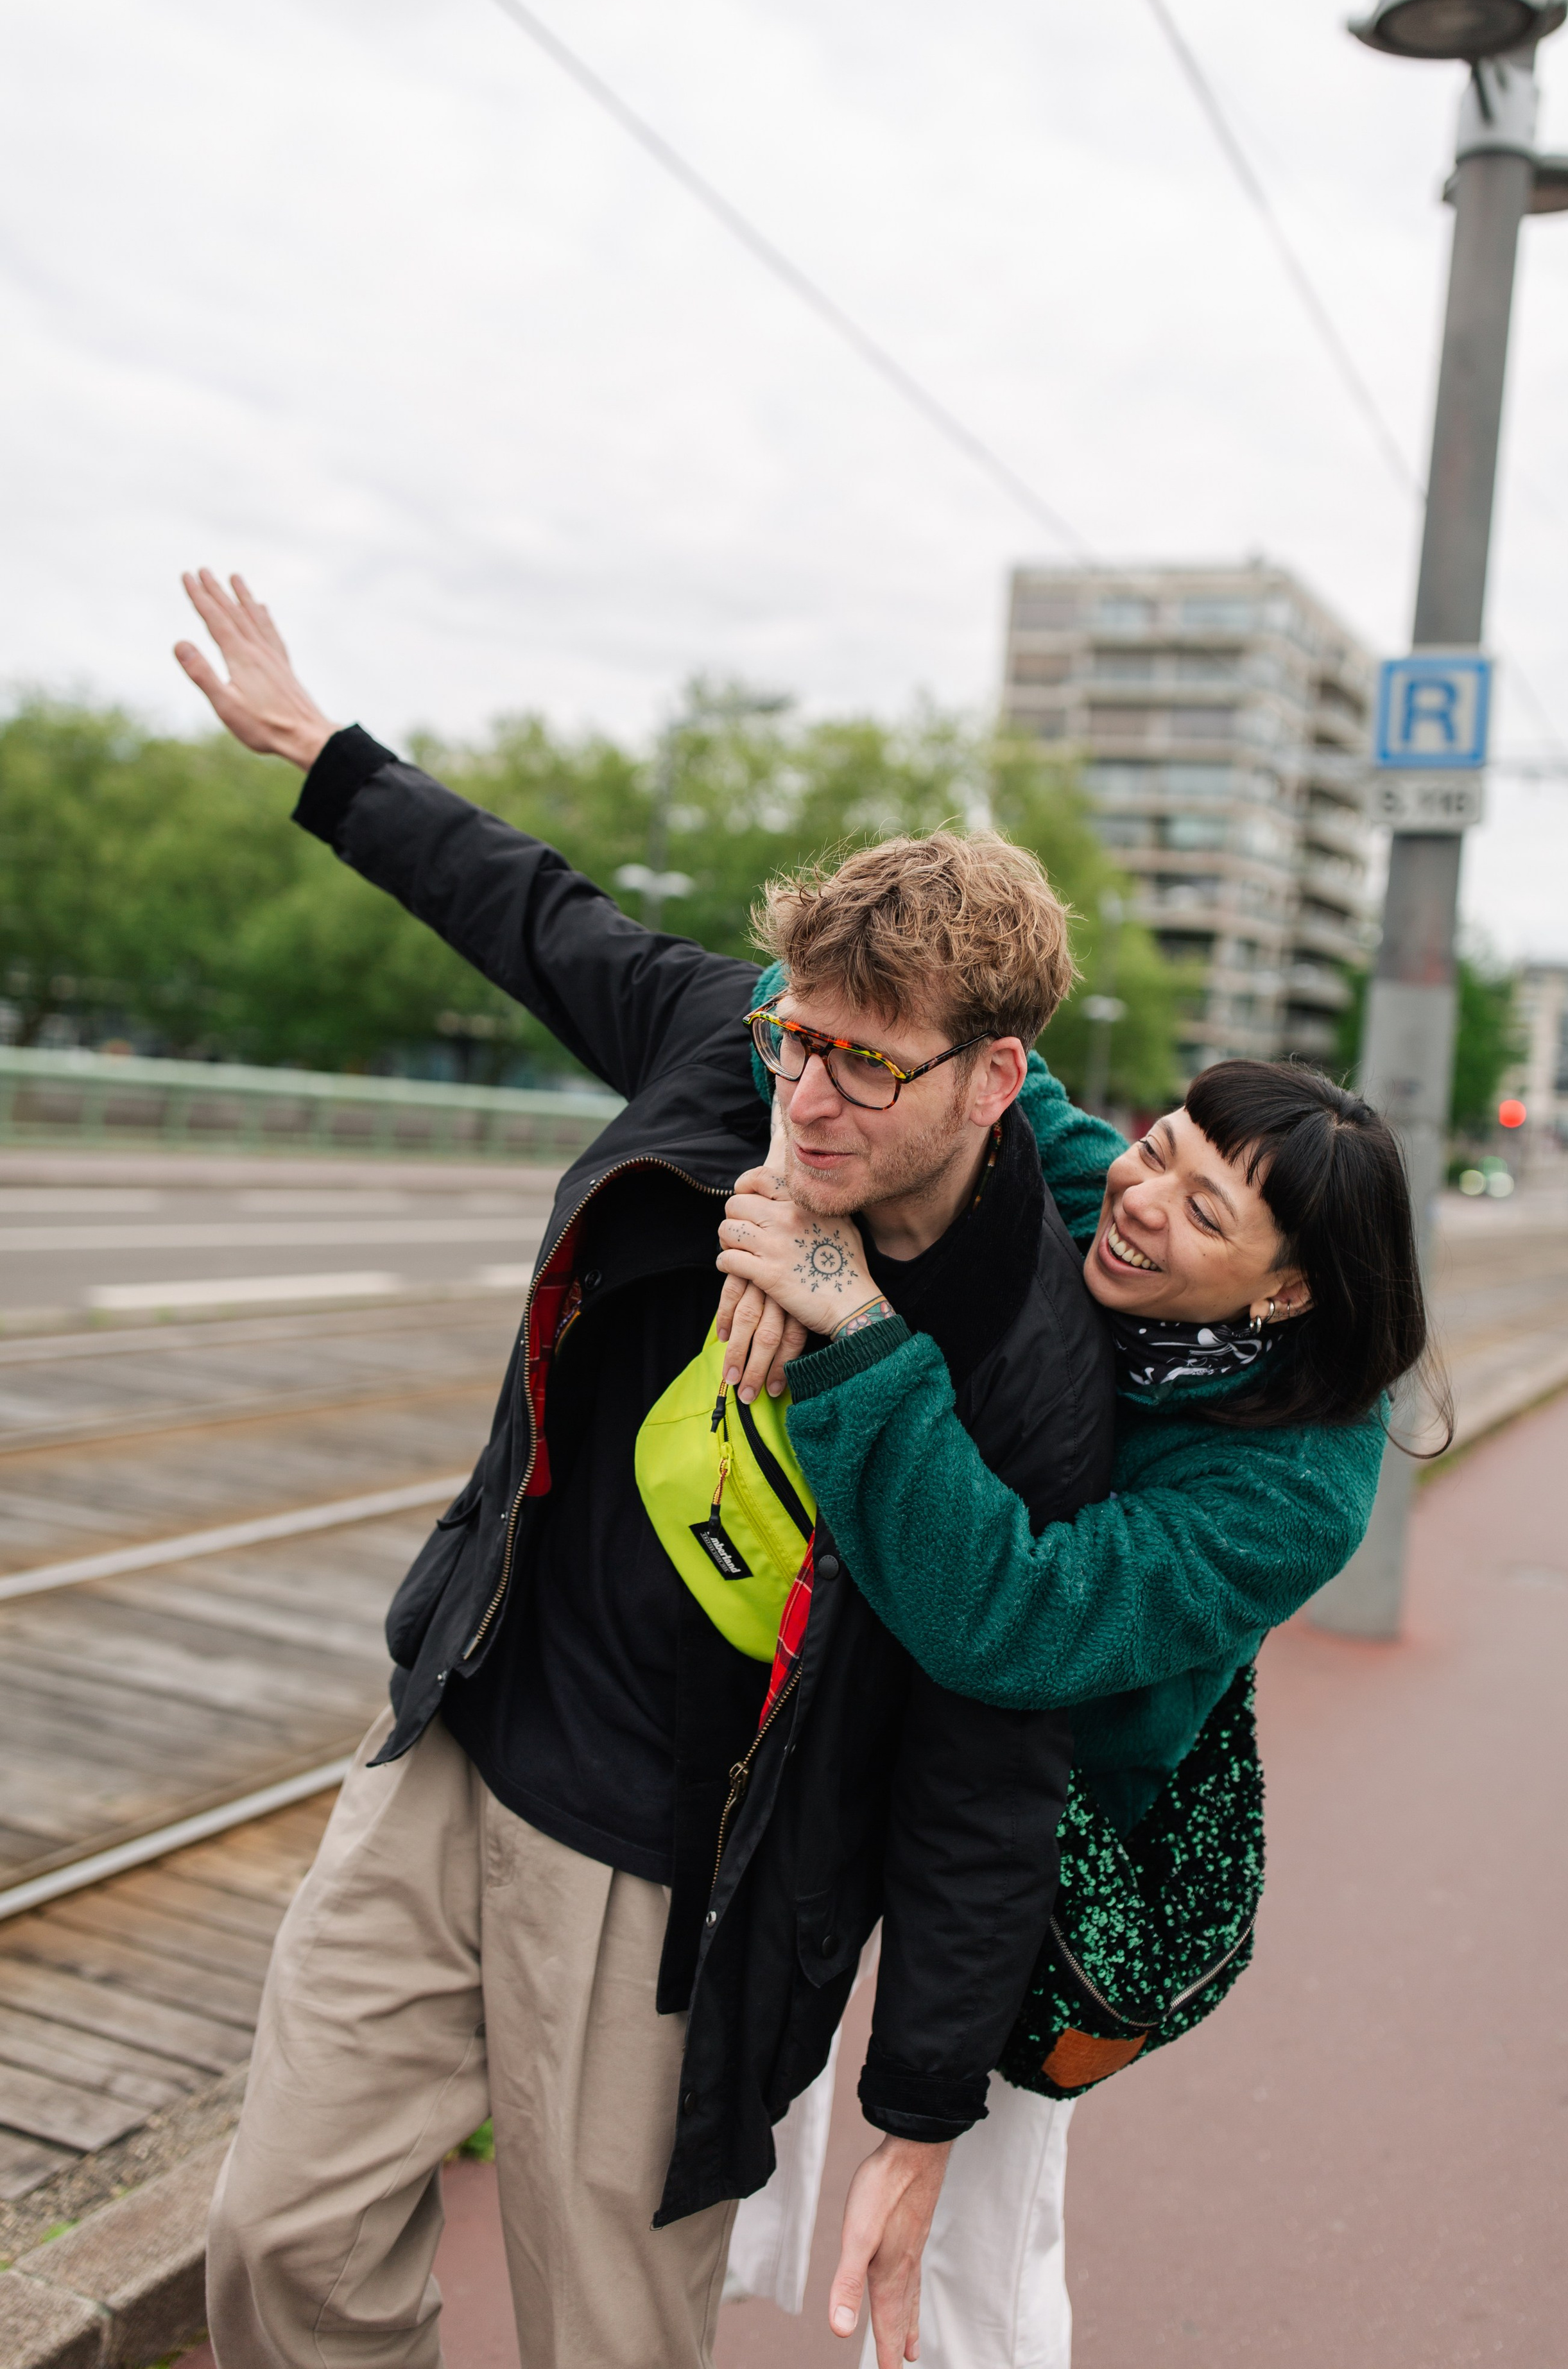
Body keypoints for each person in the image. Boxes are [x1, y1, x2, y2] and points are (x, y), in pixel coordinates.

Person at [172, 570, 1116, 2369]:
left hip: (679, 1870)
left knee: (610, 2336)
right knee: (277, 2239)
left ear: (996, 1077)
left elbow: (991, 1757)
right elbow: (534, 909)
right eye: (794, 1039)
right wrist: (326, 754)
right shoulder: (730, 1048)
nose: (809, 1095)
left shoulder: (1024, 1357)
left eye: (864, 1063)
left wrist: (918, 2109)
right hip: (468, 1728)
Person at [715, 1041, 1439, 2367]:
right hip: (872, 1708)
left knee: (972, 2255)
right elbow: (858, 1018)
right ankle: (726, 2273)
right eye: (1157, 1142)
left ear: (1284, 1292)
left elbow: (1021, 1621)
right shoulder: (1098, 1180)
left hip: (1050, 1814)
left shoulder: (1297, 1489)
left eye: (1204, 1209)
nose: (1144, 1195)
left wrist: (857, 1327)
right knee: (746, 2079)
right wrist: (799, 1175)